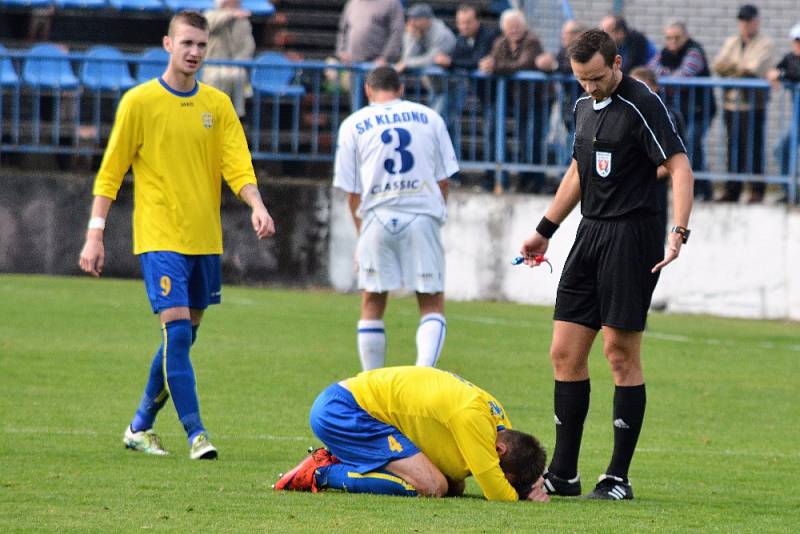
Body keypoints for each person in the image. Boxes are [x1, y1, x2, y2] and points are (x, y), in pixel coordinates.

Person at [78, 10, 276, 460]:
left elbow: (236, 165)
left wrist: (258, 205)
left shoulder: (217, 105)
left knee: (180, 340)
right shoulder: (140, 102)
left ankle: (139, 427)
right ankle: (196, 434)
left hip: (204, 240)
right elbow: (111, 173)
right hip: (159, 236)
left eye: (201, 46)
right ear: (167, 45)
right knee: (179, 337)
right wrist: (95, 234)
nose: (194, 53)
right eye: (186, 43)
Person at [518, 29, 693, 500]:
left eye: (596, 78)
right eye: (581, 80)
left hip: (632, 236)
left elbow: (679, 165)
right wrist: (544, 229)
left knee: (619, 352)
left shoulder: (642, 102)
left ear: (616, 62)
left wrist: (679, 232)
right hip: (589, 233)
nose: (590, 88)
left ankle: (617, 476)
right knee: (564, 352)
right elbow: (578, 172)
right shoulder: (581, 106)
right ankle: (564, 473)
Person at [332, 66, 458, 370]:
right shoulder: (430, 118)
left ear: (367, 90)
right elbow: (443, 179)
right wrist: (435, 216)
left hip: (377, 216)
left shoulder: (353, 124)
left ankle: (371, 381)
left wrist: (361, 234)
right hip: (421, 213)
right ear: (401, 89)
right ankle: (424, 372)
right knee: (430, 302)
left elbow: (352, 192)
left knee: (372, 301)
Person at [273, 366, 550, 502]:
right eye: (504, 474)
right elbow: (496, 493)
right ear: (499, 451)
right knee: (431, 487)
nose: (496, 474)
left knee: (453, 486)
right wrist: (523, 493)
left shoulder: (499, 420)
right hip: (345, 410)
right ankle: (322, 471)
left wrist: (529, 478)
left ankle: (347, 461)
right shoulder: (474, 419)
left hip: (354, 407)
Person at [479, 8, 556, 193]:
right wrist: (489, 64)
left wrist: (496, 67)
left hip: (539, 100)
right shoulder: (500, 42)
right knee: (523, 140)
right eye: (510, 26)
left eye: (517, 26)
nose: (514, 30)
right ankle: (523, 180)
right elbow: (493, 61)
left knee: (534, 140)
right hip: (518, 101)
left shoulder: (532, 41)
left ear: (524, 26)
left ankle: (535, 181)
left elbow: (524, 64)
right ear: (503, 28)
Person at [712, 4, 774, 203]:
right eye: (742, 20)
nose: (745, 24)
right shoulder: (732, 41)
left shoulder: (765, 43)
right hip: (732, 104)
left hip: (753, 104)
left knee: (754, 146)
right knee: (733, 146)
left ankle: (757, 189)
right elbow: (718, 65)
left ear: (756, 21)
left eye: (748, 20)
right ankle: (733, 189)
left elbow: (754, 69)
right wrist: (740, 69)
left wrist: (733, 70)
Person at [649, 21, 716, 201]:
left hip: (700, 110)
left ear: (685, 36)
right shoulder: (664, 53)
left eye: (676, 37)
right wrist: (668, 75)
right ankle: (695, 187)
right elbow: (651, 70)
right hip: (680, 112)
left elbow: (683, 76)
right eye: (669, 38)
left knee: (693, 145)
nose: (672, 42)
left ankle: (702, 189)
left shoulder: (694, 51)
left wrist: (666, 76)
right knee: (682, 149)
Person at [630, 66, 688, 234]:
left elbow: (675, 162)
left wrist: (641, 178)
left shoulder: (667, 117)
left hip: (653, 190)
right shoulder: (623, 115)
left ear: (655, 87)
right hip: (629, 192)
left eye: (643, 85)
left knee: (652, 244)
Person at [202, 0, 256, 117]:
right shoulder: (210, 15)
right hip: (212, 65)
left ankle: (238, 115)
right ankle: (215, 113)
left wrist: (237, 63)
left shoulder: (243, 22)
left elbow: (248, 46)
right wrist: (230, 15)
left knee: (238, 75)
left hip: (235, 65)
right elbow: (208, 25)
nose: (234, 6)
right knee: (218, 77)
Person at [767, 22, 800, 199]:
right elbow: (775, 69)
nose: (798, 45)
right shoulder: (790, 57)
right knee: (782, 149)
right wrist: (776, 73)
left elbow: (795, 73)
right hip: (798, 118)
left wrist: (782, 75)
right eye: (796, 41)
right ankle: (791, 192)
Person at [335, 0, 404, 67]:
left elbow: (397, 33)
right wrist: (342, 51)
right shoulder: (352, 3)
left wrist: (385, 57)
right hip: (352, 65)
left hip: (378, 67)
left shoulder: (391, 3)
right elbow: (343, 30)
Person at [394, 3, 456, 74]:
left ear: (427, 20)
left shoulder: (442, 34)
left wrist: (407, 63)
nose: (411, 22)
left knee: (432, 71)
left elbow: (431, 60)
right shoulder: (416, 30)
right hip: (423, 65)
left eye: (415, 19)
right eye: (410, 18)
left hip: (449, 70)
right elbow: (407, 57)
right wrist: (412, 37)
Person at [435, 4, 499, 72]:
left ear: (478, 21)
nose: (464, 27)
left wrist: (452, 63)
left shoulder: (488, 36)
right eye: (460, 23)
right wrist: (444, 60)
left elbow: (477, 61)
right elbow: (456, 57)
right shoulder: (461, 38)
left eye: (468, 22)